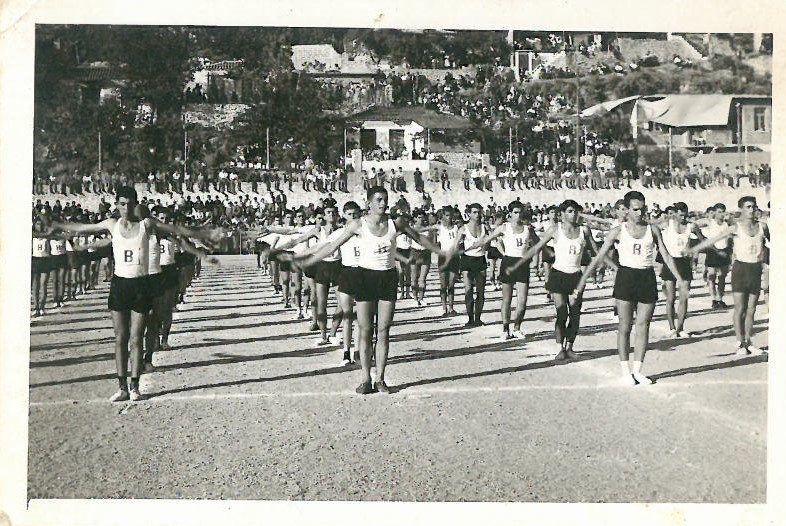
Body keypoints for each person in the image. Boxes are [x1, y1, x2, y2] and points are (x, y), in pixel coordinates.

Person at [49, 186, 222, 402]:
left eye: (129, 203)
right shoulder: (112, 224)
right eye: (121, 203)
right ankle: (121, 386)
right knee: (120, 337)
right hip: (120, 284)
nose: (125, 207)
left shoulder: (146, 225)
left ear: (135, 204)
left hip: (141, 285)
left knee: (136, 337)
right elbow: (85, 228)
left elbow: (175, 230)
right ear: (117, 205)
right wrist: (60, 225)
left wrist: (203, 233)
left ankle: (135, 386)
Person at [279, 186, 449, 394]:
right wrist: (308, 260)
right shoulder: (358, 225)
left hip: (387, 278)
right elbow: (331, 247)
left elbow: (419, 238)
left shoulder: (397, 223)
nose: (382, 203)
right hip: (365, 278)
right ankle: (365, 378)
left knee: (384, 331)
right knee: (366, 330)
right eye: (378, 199)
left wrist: (441, 251)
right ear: (368, 203)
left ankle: (381, 379)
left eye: (385, 199)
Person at [575, 191, 685, 386]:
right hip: (626, 276)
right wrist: (583, 278)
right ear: (626, 210)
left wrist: (680, 280)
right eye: (635, 209)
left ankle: (638, 370)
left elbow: (666, 256)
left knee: (643, 326)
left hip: (646, 277)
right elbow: (599, 256)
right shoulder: (618, 231)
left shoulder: (653, 230)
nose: (640, 213)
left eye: (643, 208)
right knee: (625, 326)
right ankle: (625, 371)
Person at [505, 200, 604, 359]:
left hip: (576, 276)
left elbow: (597, 251)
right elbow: (535, 249)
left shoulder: (584, 230)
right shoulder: (555, 230)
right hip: (558, 275)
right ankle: (560, 348)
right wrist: (517, 265)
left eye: (576, 211)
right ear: (562, 214)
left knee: (575, 313)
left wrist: (607, 264)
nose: (574, 214)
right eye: (571, 211)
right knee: (562, 312)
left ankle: (570, 347)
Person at [687, 196, 769, 355]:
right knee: (740, 308)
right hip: (740, 269)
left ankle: (749, 342)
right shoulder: (735, 228)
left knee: (751, 309)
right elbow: (713, 240)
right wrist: (692, 250)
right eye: (748, 207)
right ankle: (740, 342)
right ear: (741, 209)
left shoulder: (763, 227)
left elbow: (772, 244)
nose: (751, 210)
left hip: (755, 270)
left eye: (753, 207)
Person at [474, 201, 538, 340]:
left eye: (520, 212)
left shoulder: (528, 229)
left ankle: (517, 328)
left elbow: (538, 244)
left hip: (522, 263)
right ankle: (505, 328)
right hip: (508, 262)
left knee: (522, 300)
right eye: (515, 212)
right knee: (507, 299)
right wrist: (470, 247)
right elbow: (487, 239)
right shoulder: (504, 227)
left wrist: (532, 256)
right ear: (510, 214)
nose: (518, 215)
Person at [660, 202, 704, 337]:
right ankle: (672, 327)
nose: (683, 218)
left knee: (684, 297)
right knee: (671, 298)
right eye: (680, 215)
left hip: (684, 263)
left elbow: (702, 240)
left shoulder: (691, 226)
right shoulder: (667, 224)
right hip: (670, 262)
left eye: (685, 215)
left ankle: (680, 328)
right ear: (675, 214)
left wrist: (692, 250)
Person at [701, 203, 732, 309]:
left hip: (724, 251)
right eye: (719, 212)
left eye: (723, 211)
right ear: (714, 212)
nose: (721, 214)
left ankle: (720, 299)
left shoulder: (726, 223)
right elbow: (696, 225)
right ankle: (713, 299)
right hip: (713, 251)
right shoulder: (710, 222)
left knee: (722, 277)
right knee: (712, 276)